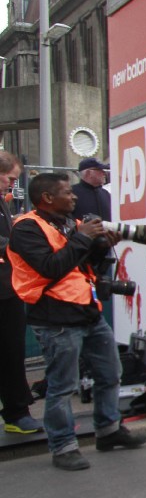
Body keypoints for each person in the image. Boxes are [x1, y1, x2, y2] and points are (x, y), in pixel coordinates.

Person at [6, 172, 146, 470]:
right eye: (67, 192)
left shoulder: (69, 224)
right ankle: (63, 446)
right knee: (62, 386)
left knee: (110, 374)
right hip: (55, 318)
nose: (73, 197)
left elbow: (83, 266)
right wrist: (83, 237)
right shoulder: (26, 228)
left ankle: (109, 430)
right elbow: (50, 267)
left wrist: (100, 245)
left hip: (87, 311)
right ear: (47, 198)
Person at [0, 152, 42, 435]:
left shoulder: (3, 201)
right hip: (5, 287)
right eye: (10, 178)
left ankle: (17, 412)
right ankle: (16, 411)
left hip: (8, 287)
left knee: (12, 352)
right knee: (9, 351)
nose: (12, 184)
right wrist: (17, 244)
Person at [71, 157, 112, 221]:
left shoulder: (106, 194)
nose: (104, 173)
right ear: (88, 173)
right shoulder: (72, 193)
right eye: (100, 170)